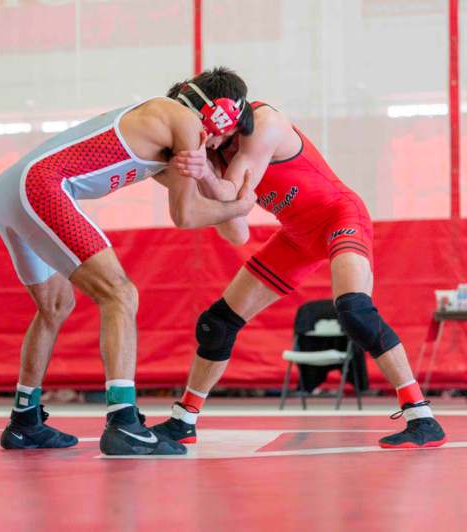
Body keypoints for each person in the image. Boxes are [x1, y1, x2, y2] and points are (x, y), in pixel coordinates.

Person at [152, 70, 447, 449]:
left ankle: (421, 416)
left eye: (195, 126)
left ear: (221, 116)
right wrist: (200, 172)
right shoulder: (215, 153)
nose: (196, 137)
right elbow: (237, 231)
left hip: (339, 216)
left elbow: (228, 192)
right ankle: (183, 421)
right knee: (217, 324)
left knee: (355, 310)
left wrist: (204, 175)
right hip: (296, 237)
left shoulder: (264, 125)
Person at [0, 69, 257, 455]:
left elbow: (234, 231)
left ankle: (24, 420)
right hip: (41, 186)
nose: (216, 147)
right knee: (121, 294)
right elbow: (186, 217)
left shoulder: (160, 129)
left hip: (10, 189)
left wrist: (230, 199)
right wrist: (242, 202)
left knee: (55, 307)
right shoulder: (182, 121)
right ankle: (123, 422)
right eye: (224, 138)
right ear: (219, 117)